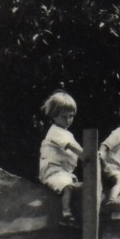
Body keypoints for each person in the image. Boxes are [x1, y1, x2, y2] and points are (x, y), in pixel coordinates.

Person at [38, 91, 82, 224]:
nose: (68, 120)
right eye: (64, 117)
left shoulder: (66, 133)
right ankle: (66, 212)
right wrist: (89, 156)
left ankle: (76, 215)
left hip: (63, 171)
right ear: (54, 116)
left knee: (76, 187)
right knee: (68, 187)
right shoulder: (56, 132)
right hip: (52, 171)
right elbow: (75, 148)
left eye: (71, 116)